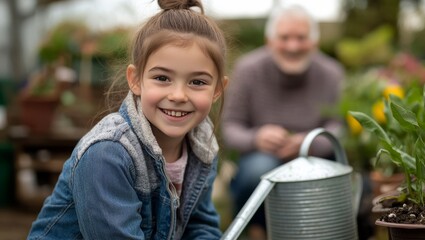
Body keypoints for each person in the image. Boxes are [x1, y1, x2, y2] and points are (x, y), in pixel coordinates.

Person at [27, 0, 228, 239]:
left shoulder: (201, 145)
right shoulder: (108, 153)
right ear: (135, 79)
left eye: (198, 82)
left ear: (217, 89)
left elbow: (200, 226)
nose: (178, 95)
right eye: (162, 78)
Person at [221, 4, 344, 239]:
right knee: (259, 169)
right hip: (262, 157)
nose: (293, 46)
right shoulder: (248, 69)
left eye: (301, 37)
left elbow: (338, 127)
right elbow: (230, 127)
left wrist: (308, 142)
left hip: (315, 158)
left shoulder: (331, 73)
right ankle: (259, 230)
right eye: (284, 37)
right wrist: (257, 137)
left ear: (314, 42)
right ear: (269, 40)